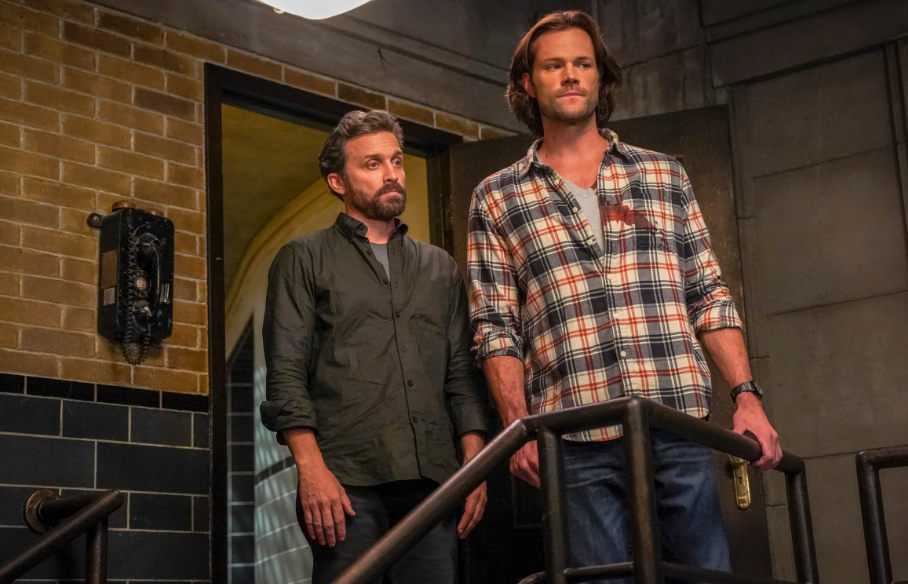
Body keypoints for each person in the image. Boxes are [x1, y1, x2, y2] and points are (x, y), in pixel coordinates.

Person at [467, 11, 782, 581]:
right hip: (574, 434)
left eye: (582, 64)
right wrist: (517, 427)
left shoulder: (663, 175)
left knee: (704, 576)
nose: (570, 75)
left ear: (600, 77)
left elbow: (707, 293)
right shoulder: (497, 197)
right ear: (528, 83)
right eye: (554, 66)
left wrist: (747, 398)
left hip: (677, 420)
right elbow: (495, 326)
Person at [261, 109, 489, 584]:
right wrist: (311, 471)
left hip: (434, 481)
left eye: (396, 161)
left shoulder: (439, 268)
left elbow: (460, 375)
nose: (391, 174)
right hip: (345, 481)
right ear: (337, 182)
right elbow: (286, 373)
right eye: (372, 164)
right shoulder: (303, 259)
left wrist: (474, 465)